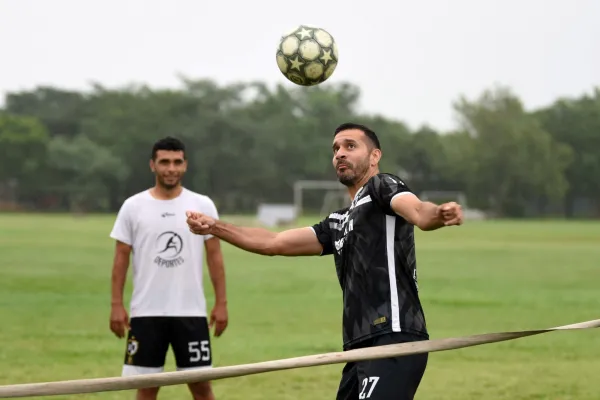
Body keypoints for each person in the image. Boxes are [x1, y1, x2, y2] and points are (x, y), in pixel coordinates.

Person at [185, 122, 464, 400]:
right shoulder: (337, 222)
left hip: (394, 337)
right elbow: (273, 243)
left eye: (350, 146)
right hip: (358, 348)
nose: (340, 153)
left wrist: (440, 214)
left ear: (375, 156)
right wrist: (214, 227)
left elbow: (417, 211)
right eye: (336, 149)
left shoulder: (382, 186)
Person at [109, 136, 228, 400]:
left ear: (185, 165)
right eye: (164, 162)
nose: (171, 168)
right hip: (146, 312)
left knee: (201, 385)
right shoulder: (133, 206)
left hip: (191, 312)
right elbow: (120, 259)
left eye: (177, 162)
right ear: (152, 165)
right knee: (147, 387)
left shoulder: (202, 204)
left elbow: (215, 258)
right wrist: (116, 304)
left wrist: (221, 303)